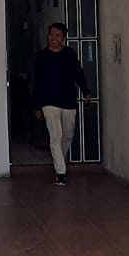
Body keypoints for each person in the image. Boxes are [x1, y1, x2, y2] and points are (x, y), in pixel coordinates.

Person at [32, 21, 91, 186]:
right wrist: (36, 105)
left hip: (68, 101)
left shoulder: (69, 54)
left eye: (58, 35)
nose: (54, 38)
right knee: (55, 136)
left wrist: (86, 91)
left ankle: (60, 162)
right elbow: (37, 81)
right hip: (49, 102)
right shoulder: (42, 56)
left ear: (63, 38)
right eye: (51, 35)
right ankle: (60, 172)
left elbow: (78, 74)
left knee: (67, 135)